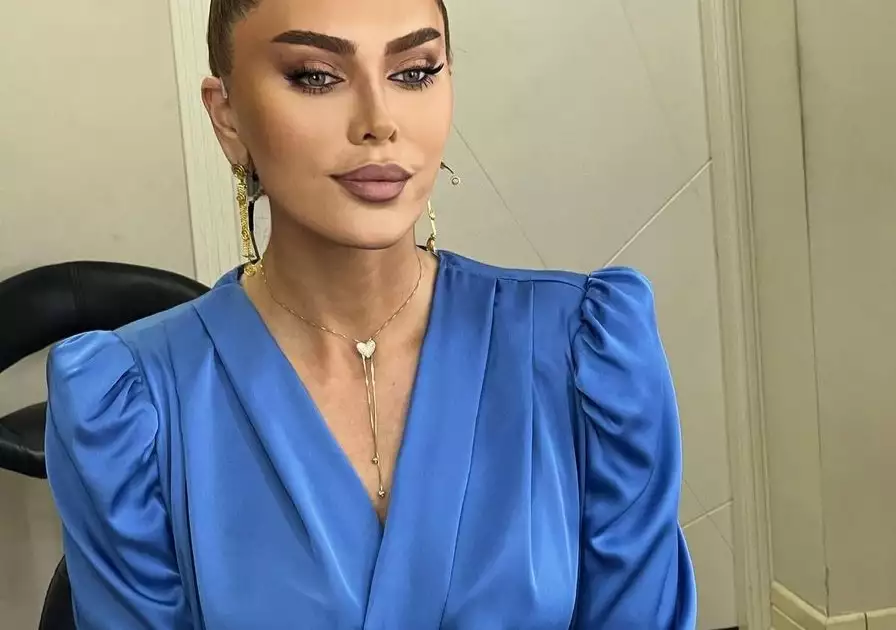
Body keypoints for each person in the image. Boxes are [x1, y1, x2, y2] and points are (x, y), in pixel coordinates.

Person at [44, 0, 696, 627]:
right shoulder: (130, 411)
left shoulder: (586, 355)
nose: (379, 121)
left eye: (414, 72)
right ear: (228, 116)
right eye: (316, 76)